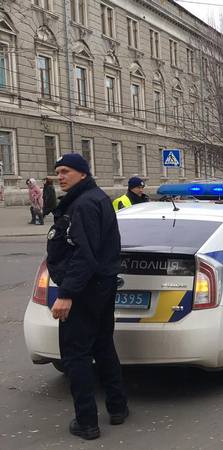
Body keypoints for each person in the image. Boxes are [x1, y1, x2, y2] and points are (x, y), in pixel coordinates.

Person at [47, 153, 128, 440]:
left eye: (66, 171)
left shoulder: (82, 205)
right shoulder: (97, 198)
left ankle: (87, 422)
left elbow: (84, 255)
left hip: (84, 290)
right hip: (101, 286)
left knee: (75, 355)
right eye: (58, 171)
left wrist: (67, 294)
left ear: (82, 173)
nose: (60, 176)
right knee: (103, 345)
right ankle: (118, 408)